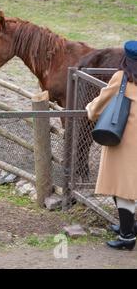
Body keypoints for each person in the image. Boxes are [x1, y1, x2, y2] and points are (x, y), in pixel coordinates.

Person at [86, 40, 137, 250]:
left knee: (122, 187)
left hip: (125, 142)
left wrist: (89, 109)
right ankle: (130, 227)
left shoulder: (122, 78)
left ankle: (127, 237)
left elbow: (99, 106)